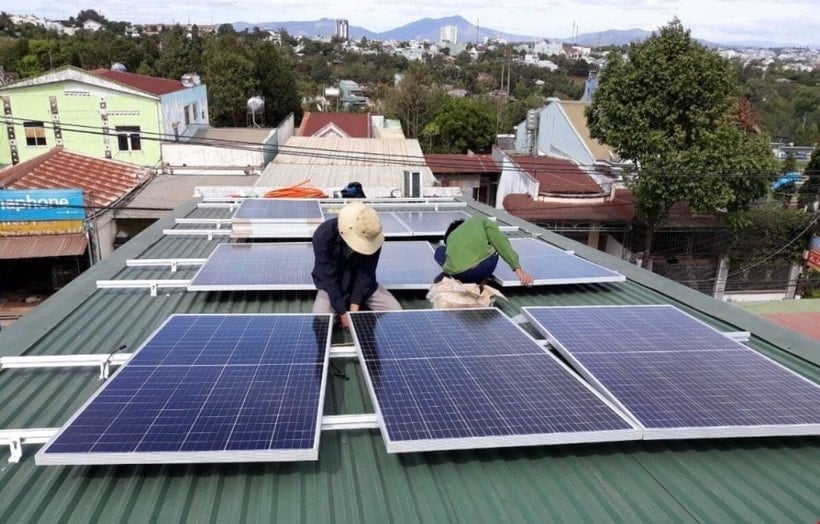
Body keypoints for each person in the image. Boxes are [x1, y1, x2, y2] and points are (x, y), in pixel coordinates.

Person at [312, 202, 401, 329]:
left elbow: (366, 273)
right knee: (322, 316)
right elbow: (328, 278)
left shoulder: (372, 234)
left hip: (363, 286)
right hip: (333, 285)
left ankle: (357, 308)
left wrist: (354, 309)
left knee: (395, 311)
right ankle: (342, 310)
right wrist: (343, 313)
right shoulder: (323, 235)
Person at [434, 216, 534, 286]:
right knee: (494, 245)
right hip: (482, 270)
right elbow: (501, 242)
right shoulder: (480, 220)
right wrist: (518, 269)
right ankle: (482, 279)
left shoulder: (451, 236)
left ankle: (449, 274)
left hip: (458, 274)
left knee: (440, 250)